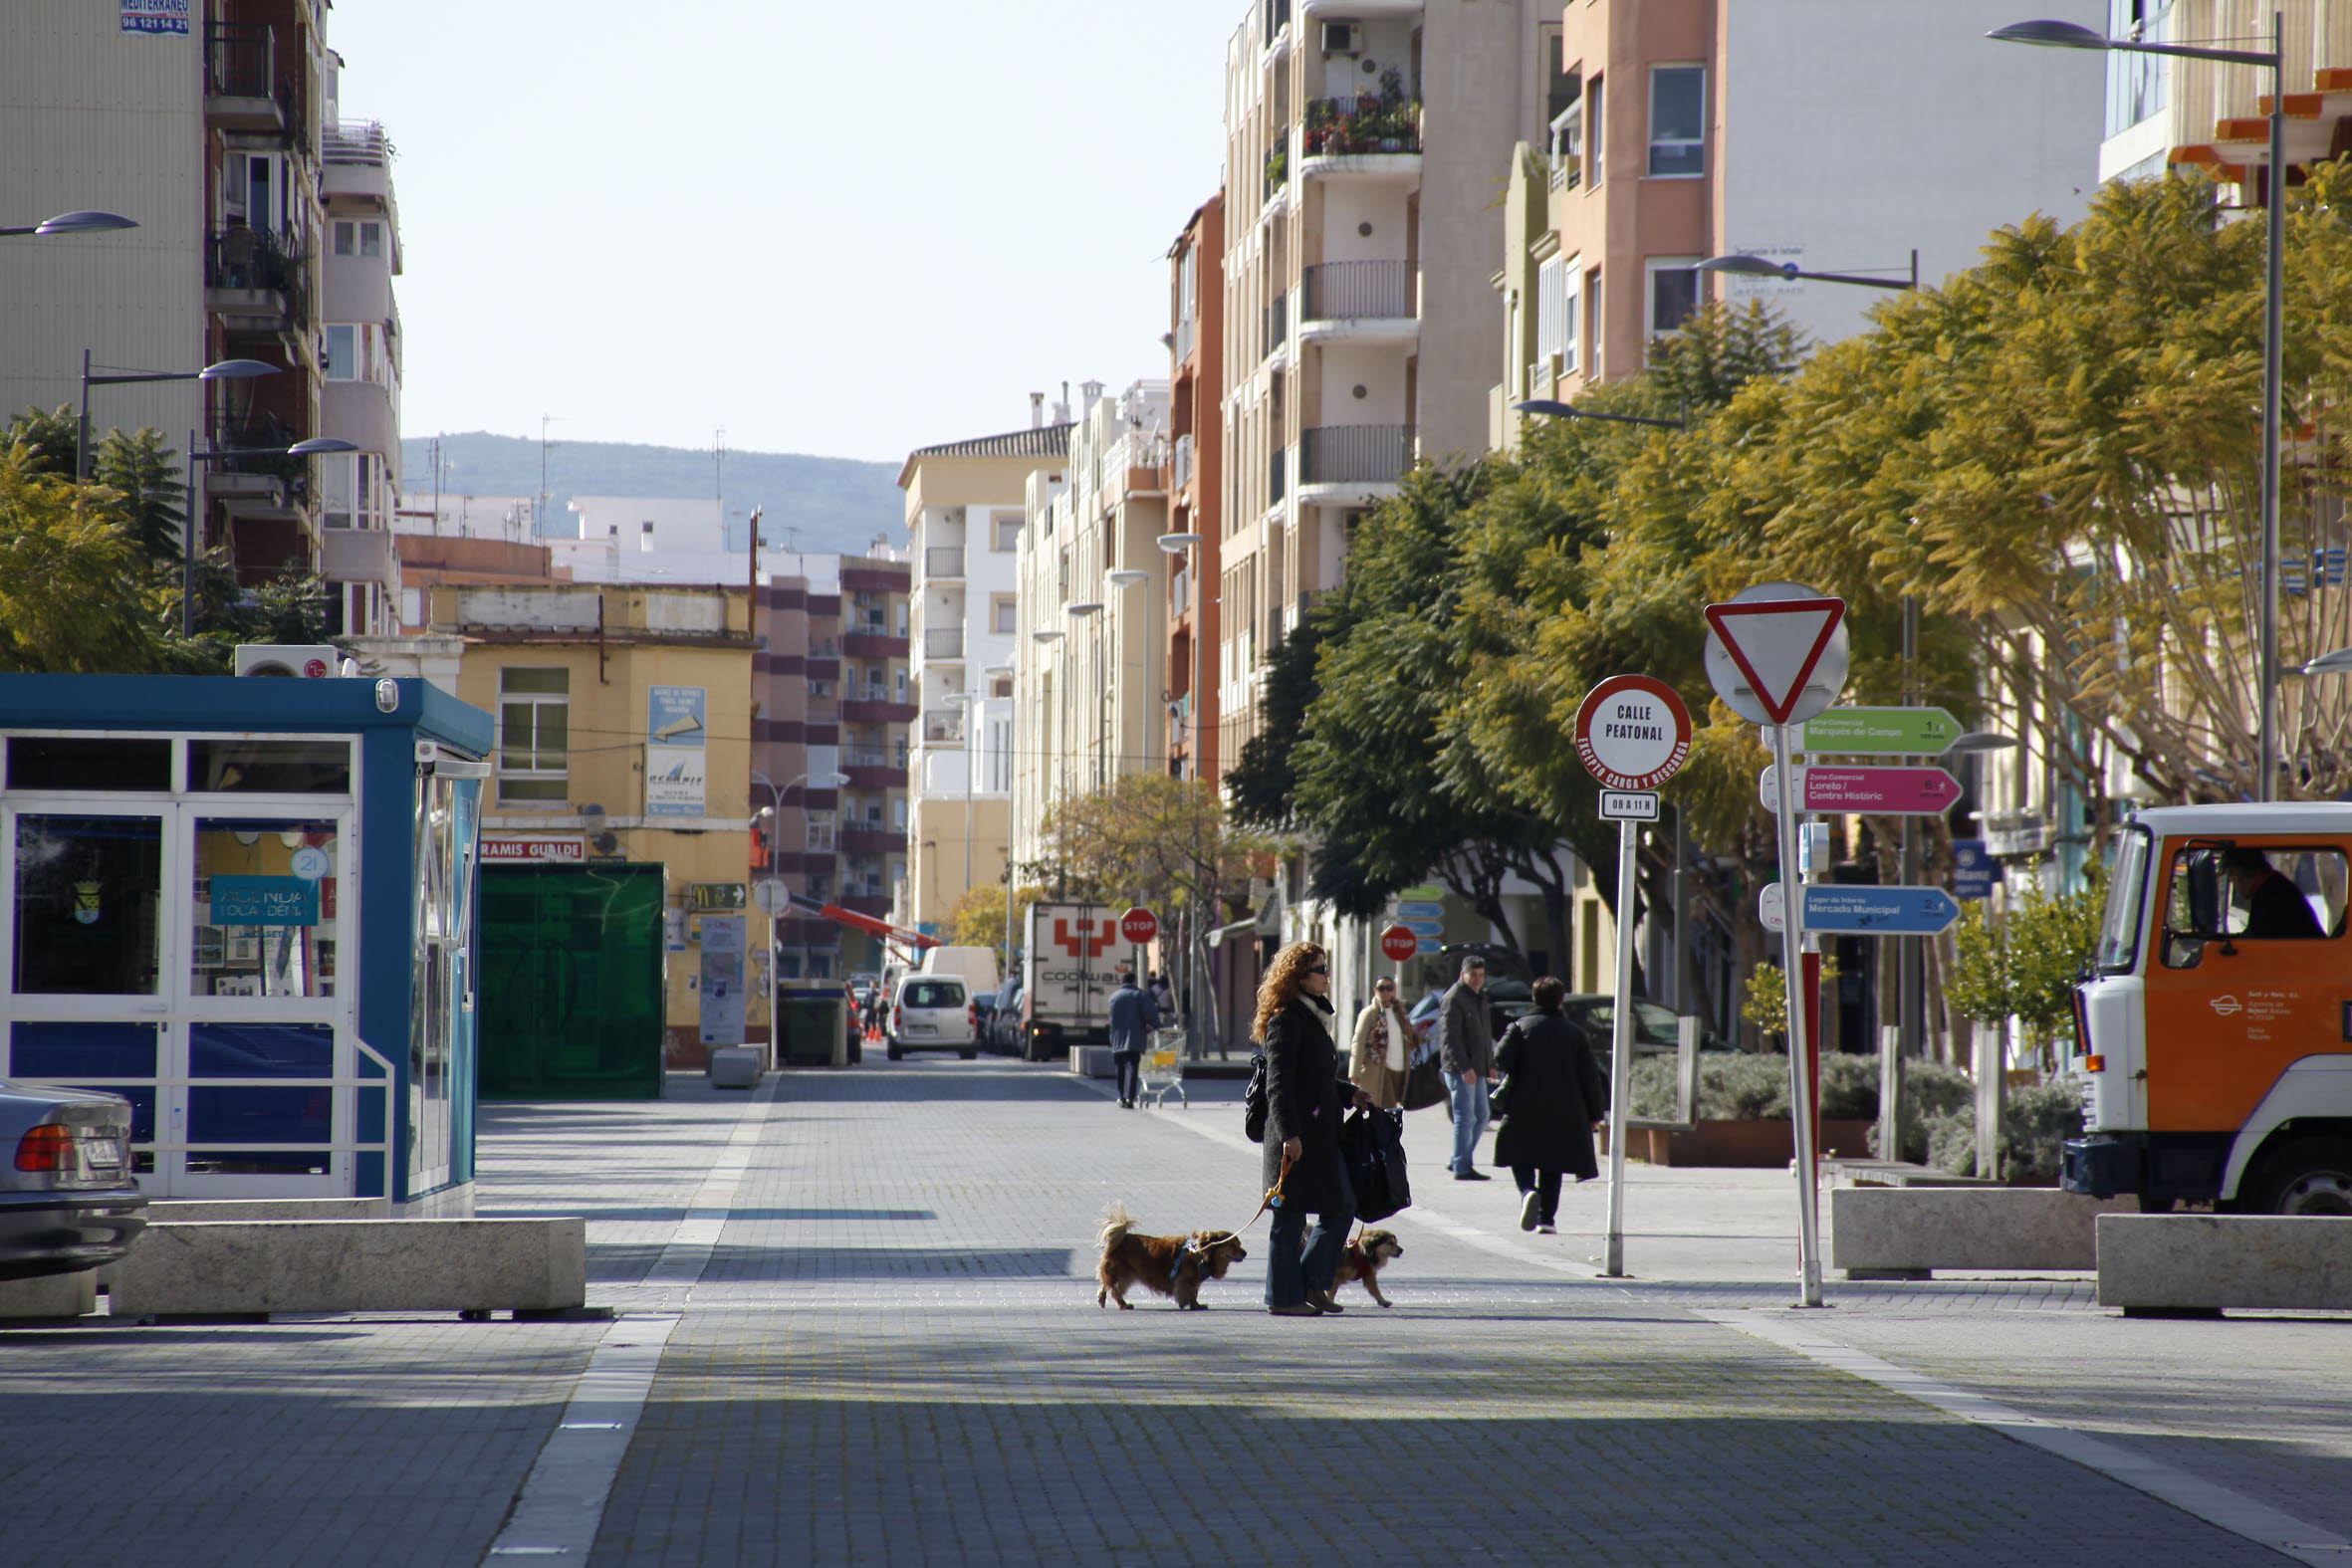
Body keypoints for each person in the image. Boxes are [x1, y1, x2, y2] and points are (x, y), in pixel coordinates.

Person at [1256, 941, 1371, 1315]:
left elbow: (1315, 1079)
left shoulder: (1312, 1017)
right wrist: (1289, 1135)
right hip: (1295, 1137)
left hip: (1320, 1137)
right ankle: (1283, 1298)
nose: (1327, 976)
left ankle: (1310, 1283)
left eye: (1326, 968)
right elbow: (1279, 1083)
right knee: (1288, 1219)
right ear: (1298, 977)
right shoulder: (1285, 1020)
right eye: (1320, 969)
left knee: (1343, 1206)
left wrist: (1348, 1092)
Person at [1492, 976, 1609, 1234]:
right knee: (1552, 1163)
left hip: (1524, 1104)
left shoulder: (1520, 1027)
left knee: (1519, 1154)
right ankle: (1547, 1219)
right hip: (1566, 1108)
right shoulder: (1574, 1033)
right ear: (1560, 999)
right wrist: (1595, 1114)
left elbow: (1500, 1058)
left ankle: (1527, 1191)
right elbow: (1589, 1077)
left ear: (1534, 998)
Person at [1437, 954, 1497, 1180]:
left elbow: (1484, 1035)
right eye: (1473, 975)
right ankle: (1462, 1167)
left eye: (1481, 975)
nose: (1478, 979)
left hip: (1479, 1068)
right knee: (1465, 1117)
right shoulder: (1453, 998)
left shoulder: (1479, 997)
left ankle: (1458, 1160)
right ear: (1463, 974)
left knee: (1482, 1115)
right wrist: (1464, 1068)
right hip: (1460, 1069)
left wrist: (1489, 1064)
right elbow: (1450, 1039)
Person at [2222, 848, 2324, 939]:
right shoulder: (2273, 886)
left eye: (2231, 878)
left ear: (2238, 873)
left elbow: (2256, 940)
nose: (2233, 885)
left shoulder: (2272, 895)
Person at [1349, 976, 1415, 1110]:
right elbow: (1358, 1042)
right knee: (1387, 1109)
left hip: (1401, 1068)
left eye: (1389, 988)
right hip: (1381, 1068)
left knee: (1395, 1110)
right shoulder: (1369, 1013)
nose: (1385, 992)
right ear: (1375, 991)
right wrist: (1354, 1073)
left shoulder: (1400, 1011)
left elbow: (1408, 1036)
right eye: (1381, 988)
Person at [1105, 966, 1159, 1109]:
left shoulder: (1114, 997)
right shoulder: (1140, 995)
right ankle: (1130, 1097)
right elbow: (1150, 1014)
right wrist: (1157, 1026)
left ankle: (1121, 1096)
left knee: (1120, 1067)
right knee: (1133, 1067)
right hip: (1135, 1037)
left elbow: (1111, 1018)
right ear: (1134, 982)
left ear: (1121, 982)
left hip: (1117, 1038)